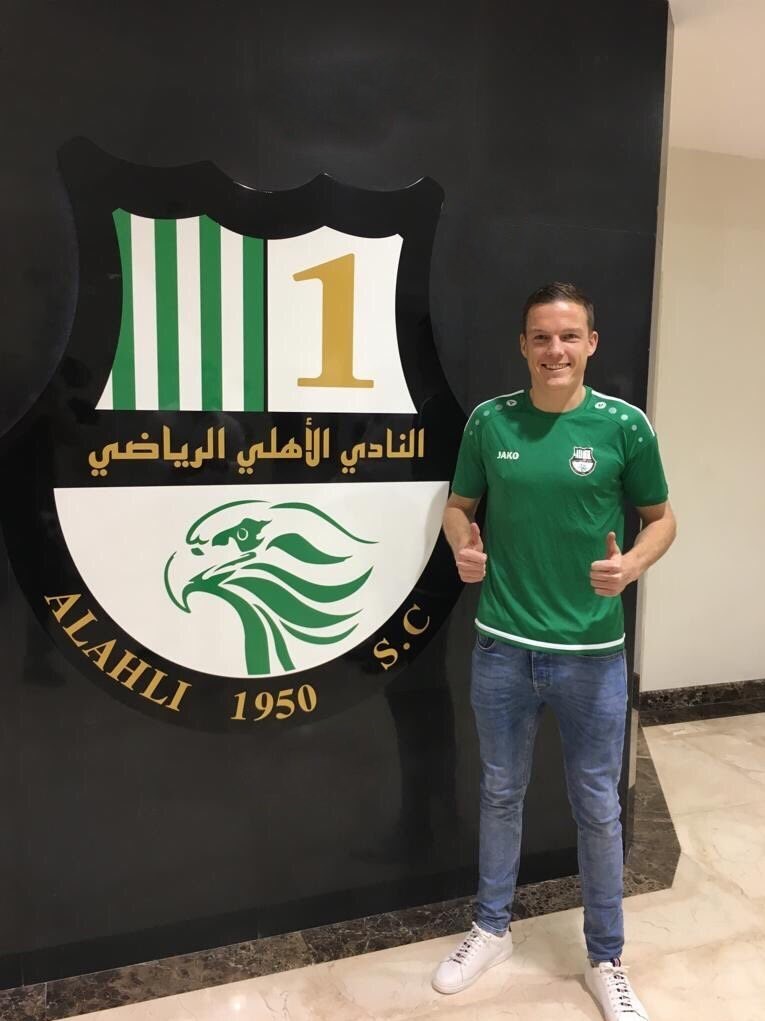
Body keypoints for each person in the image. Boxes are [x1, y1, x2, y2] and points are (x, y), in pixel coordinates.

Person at [433, 282, 676, 1021]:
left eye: (569, 336)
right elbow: (458, 507)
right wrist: (462, 546)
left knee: (598, 808)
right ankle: (491, 928)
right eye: (541, 337)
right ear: (523, 345)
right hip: (502, 647)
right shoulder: (489, 421)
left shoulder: (623, 426)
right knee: (499, 791)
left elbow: (661, 518)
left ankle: (606, 958)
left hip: (592, 654)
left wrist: (631, 567)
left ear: (591, 344)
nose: (555, 350)